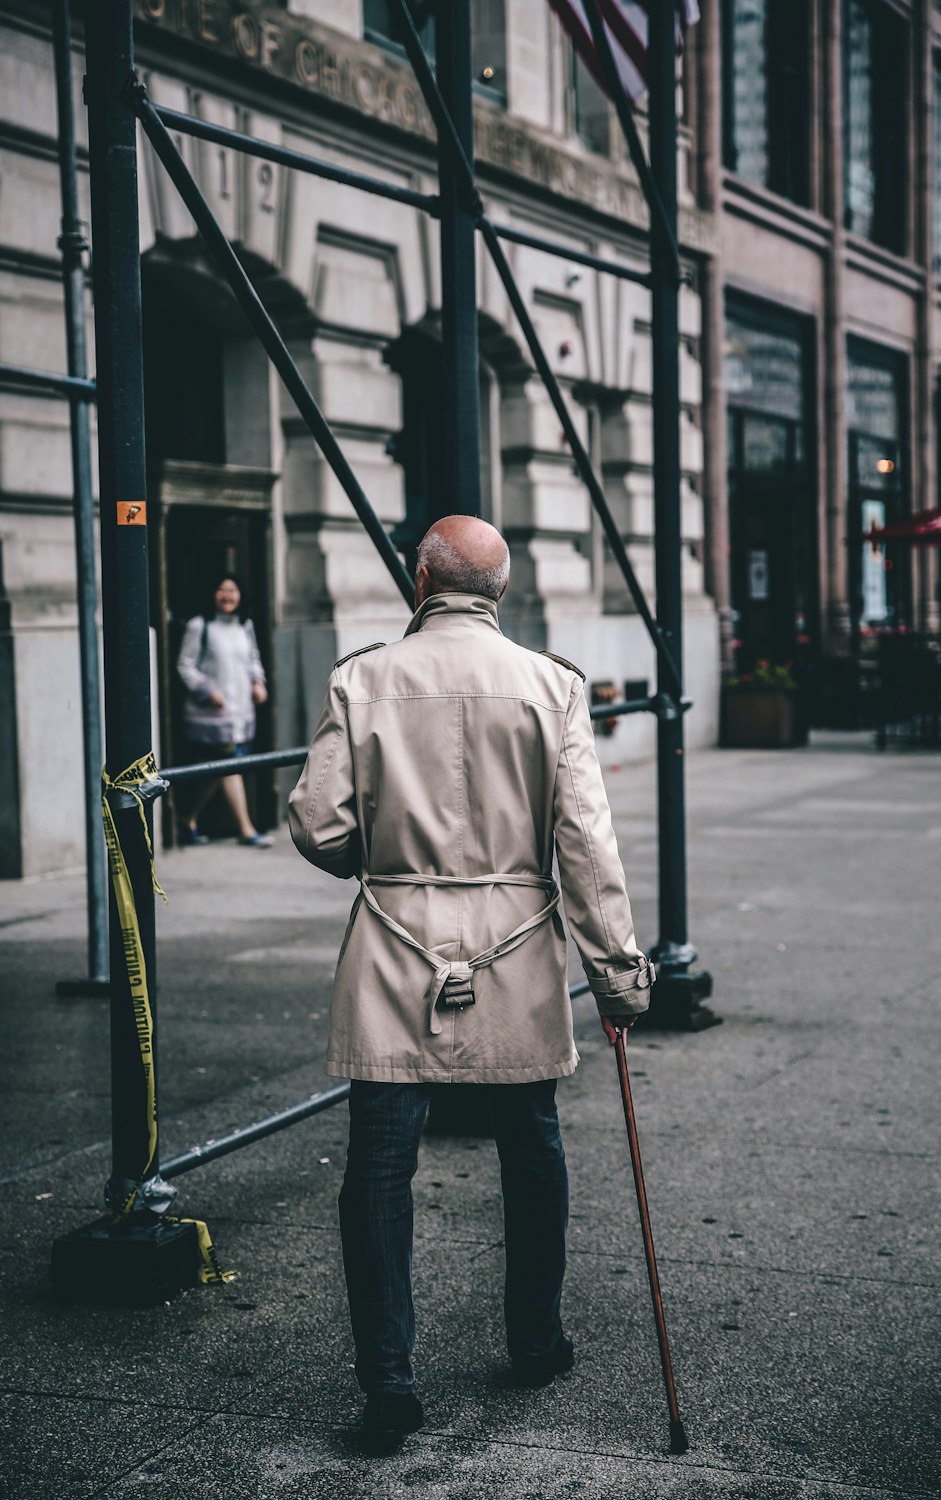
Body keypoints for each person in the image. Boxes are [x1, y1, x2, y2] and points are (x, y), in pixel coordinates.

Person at [288, 516, 653, 1453]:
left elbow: (319, 827)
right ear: (502, 587)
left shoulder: (363, 677)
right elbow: (586, 845)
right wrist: (619, 976)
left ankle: (390, 1386)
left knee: (378, 1161)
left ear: (419, 581)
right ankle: (534, 1340)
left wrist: (396, 856)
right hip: (518, 941)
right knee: (530, 1142)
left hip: (394, 940)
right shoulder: (552, 685)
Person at [176, 574, 273, 848]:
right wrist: (207, 692)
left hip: (241, 710)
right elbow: (185, 665)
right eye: (221, 590)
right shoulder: (200, 625)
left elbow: (253, 659)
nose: (227, 596)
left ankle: (187, 819)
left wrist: (258, 683)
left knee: (217, 769)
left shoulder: (245, 626)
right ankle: (246, 828)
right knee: (230, 765)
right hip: (212, 712)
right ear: (213, 594)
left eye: (232, 590)